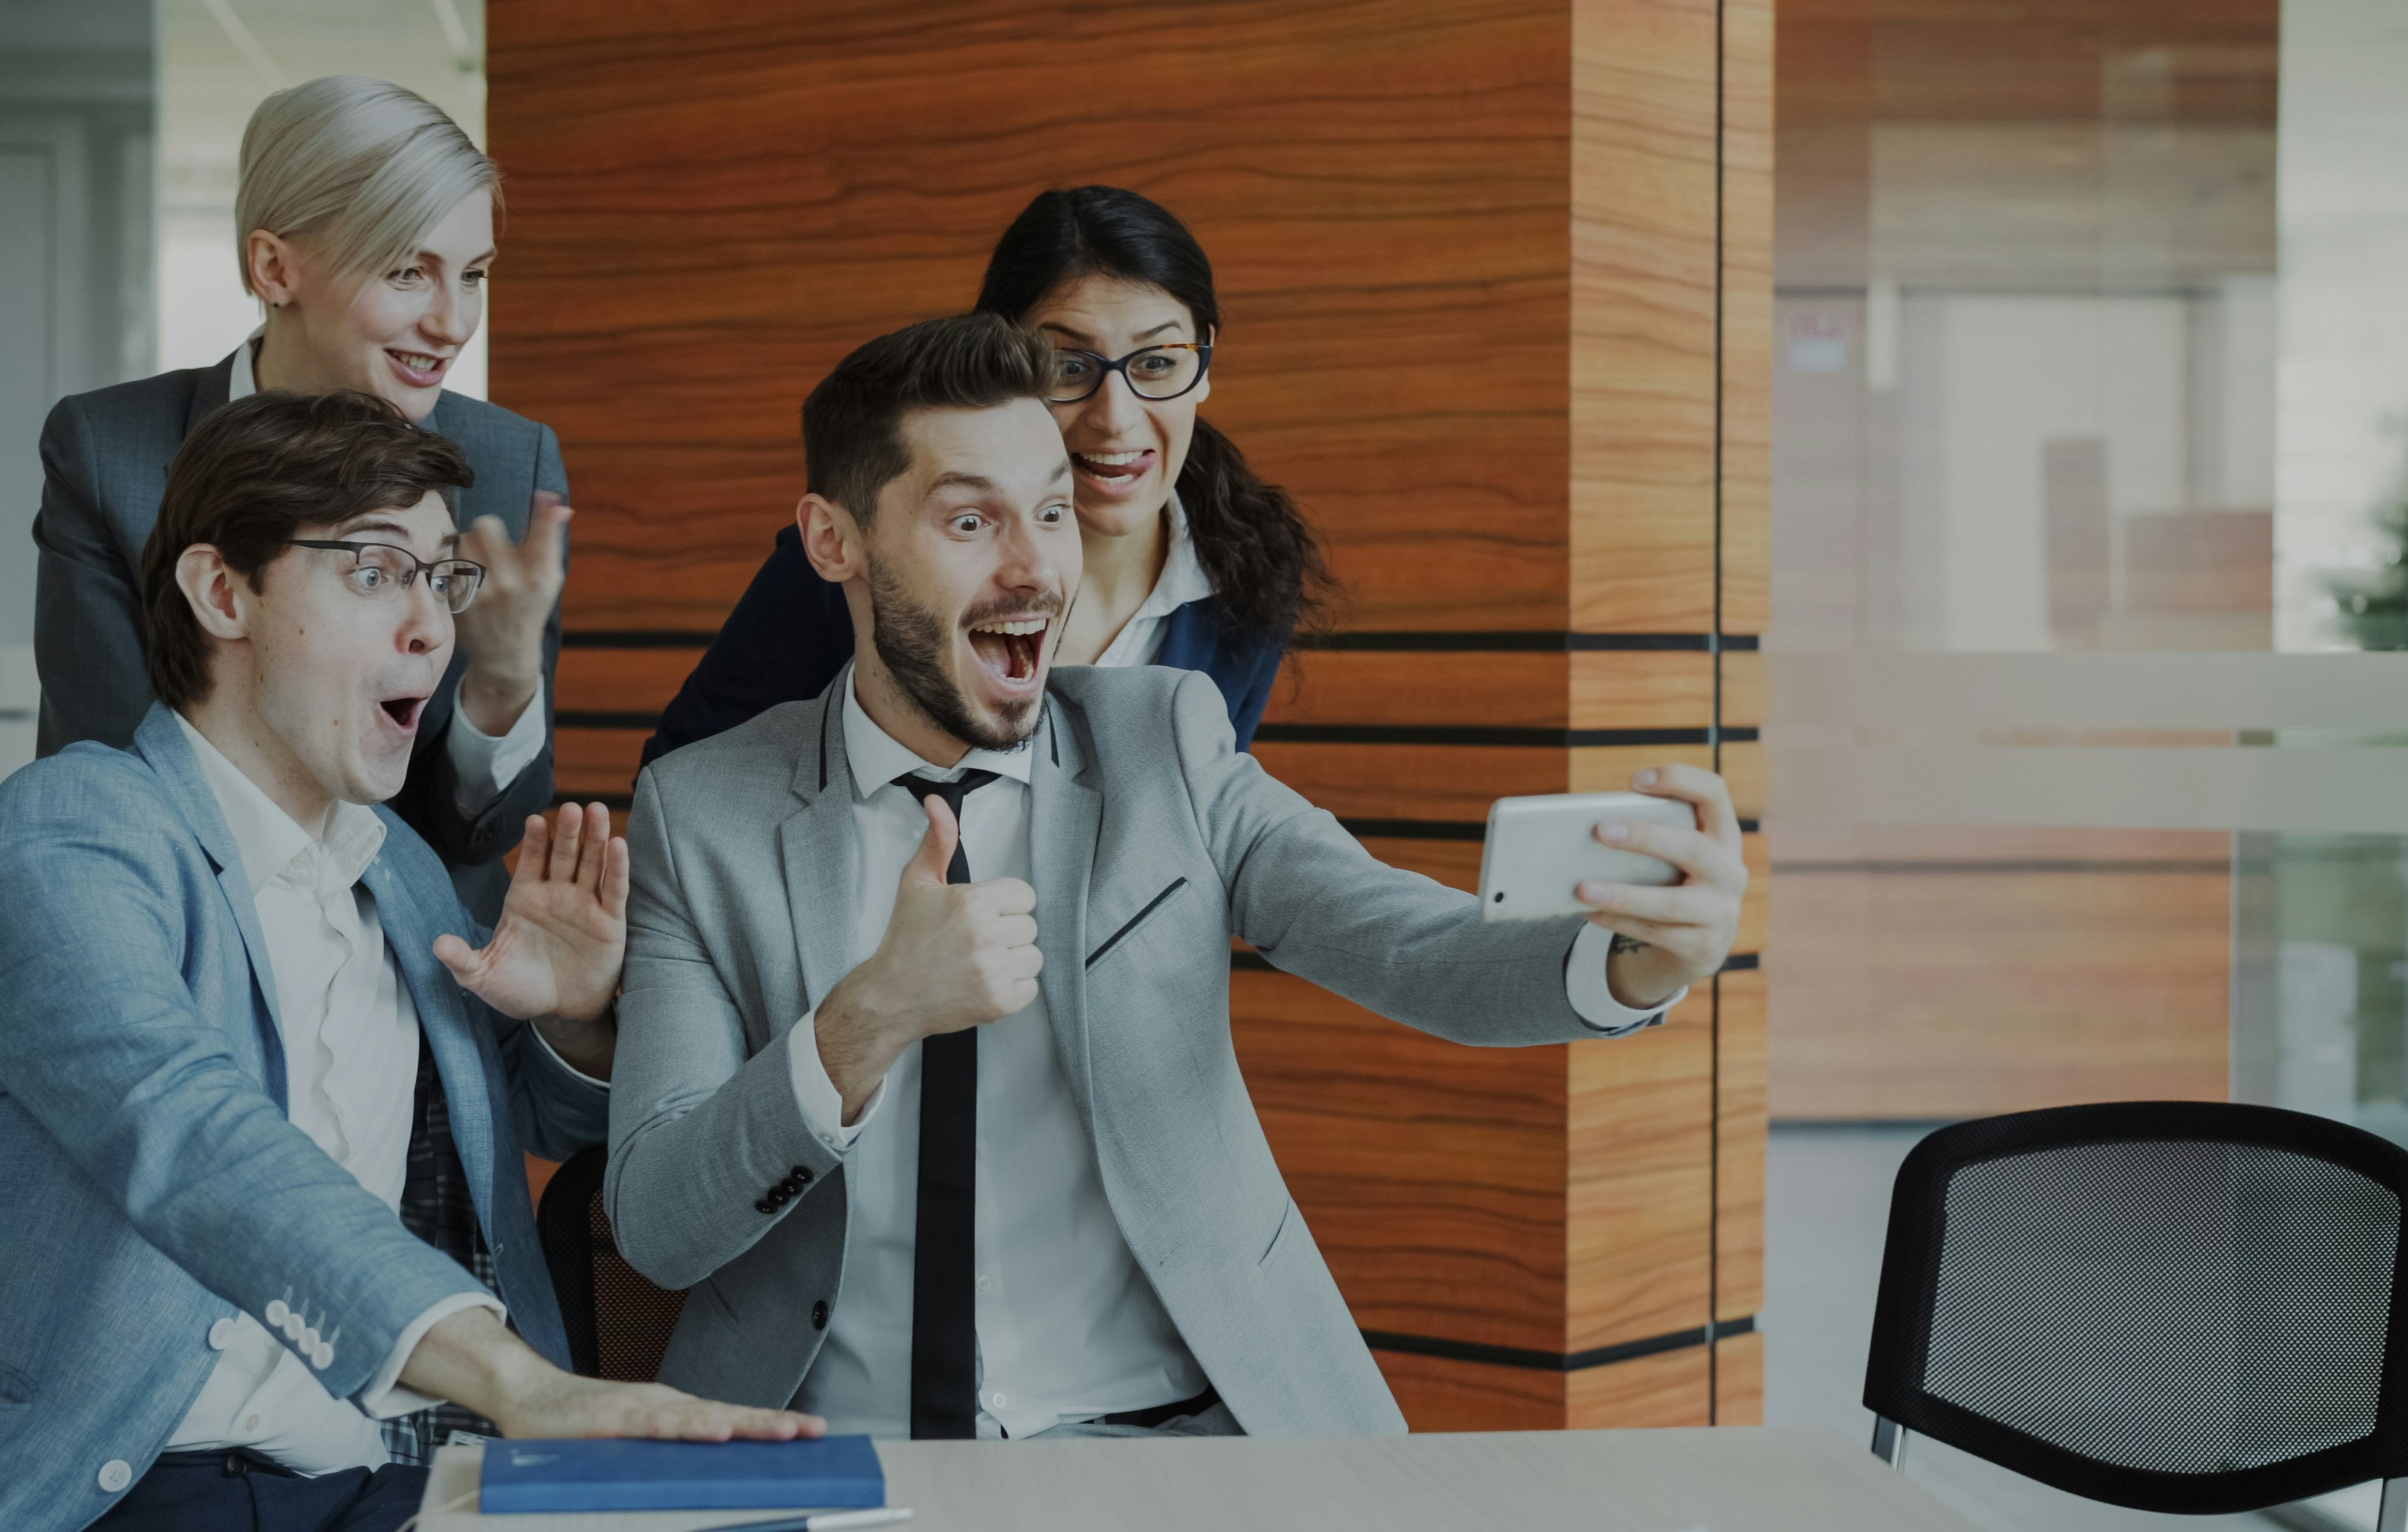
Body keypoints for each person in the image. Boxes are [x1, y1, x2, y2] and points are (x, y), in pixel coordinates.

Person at [602, 315, 1748, 1438]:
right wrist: (868, 1018)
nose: (1032, 567)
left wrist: (1626, 958)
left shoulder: (1166, 746)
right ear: (833, 541)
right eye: (968, 519)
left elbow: (1406, 942)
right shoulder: (703, 814)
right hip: (845, 1450)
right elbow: (658, 1220)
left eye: (1052, 512)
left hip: (1169, 1438)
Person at [0, 393, 818, 1532]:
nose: (432, 627)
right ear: (221, 590)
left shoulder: (405, 874)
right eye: (378, 572)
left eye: (443, 579)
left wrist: (573, 1023)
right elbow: (191, 1130)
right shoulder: (70, 832)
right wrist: (520, 1381)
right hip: (96, 1487)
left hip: (363, 1487)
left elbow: (534, 1141)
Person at [36, 75, 564, 928]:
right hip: (189, 935)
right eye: (407, 271)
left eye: (473, 275)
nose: (453, 321)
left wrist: (502, 686)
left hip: (418, 963)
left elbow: (475, 833)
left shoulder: (509, 467)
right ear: (274, 267)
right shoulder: (108, 454)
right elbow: (106, 779)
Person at [644, 186, 1323, 762]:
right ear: (1002, 373)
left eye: (1157, 362)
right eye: (1067, 367)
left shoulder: (1251, 569)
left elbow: (1205, 832)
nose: (1116, 418)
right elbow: (687, 783)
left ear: (1204, 362)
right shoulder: (864, 555)